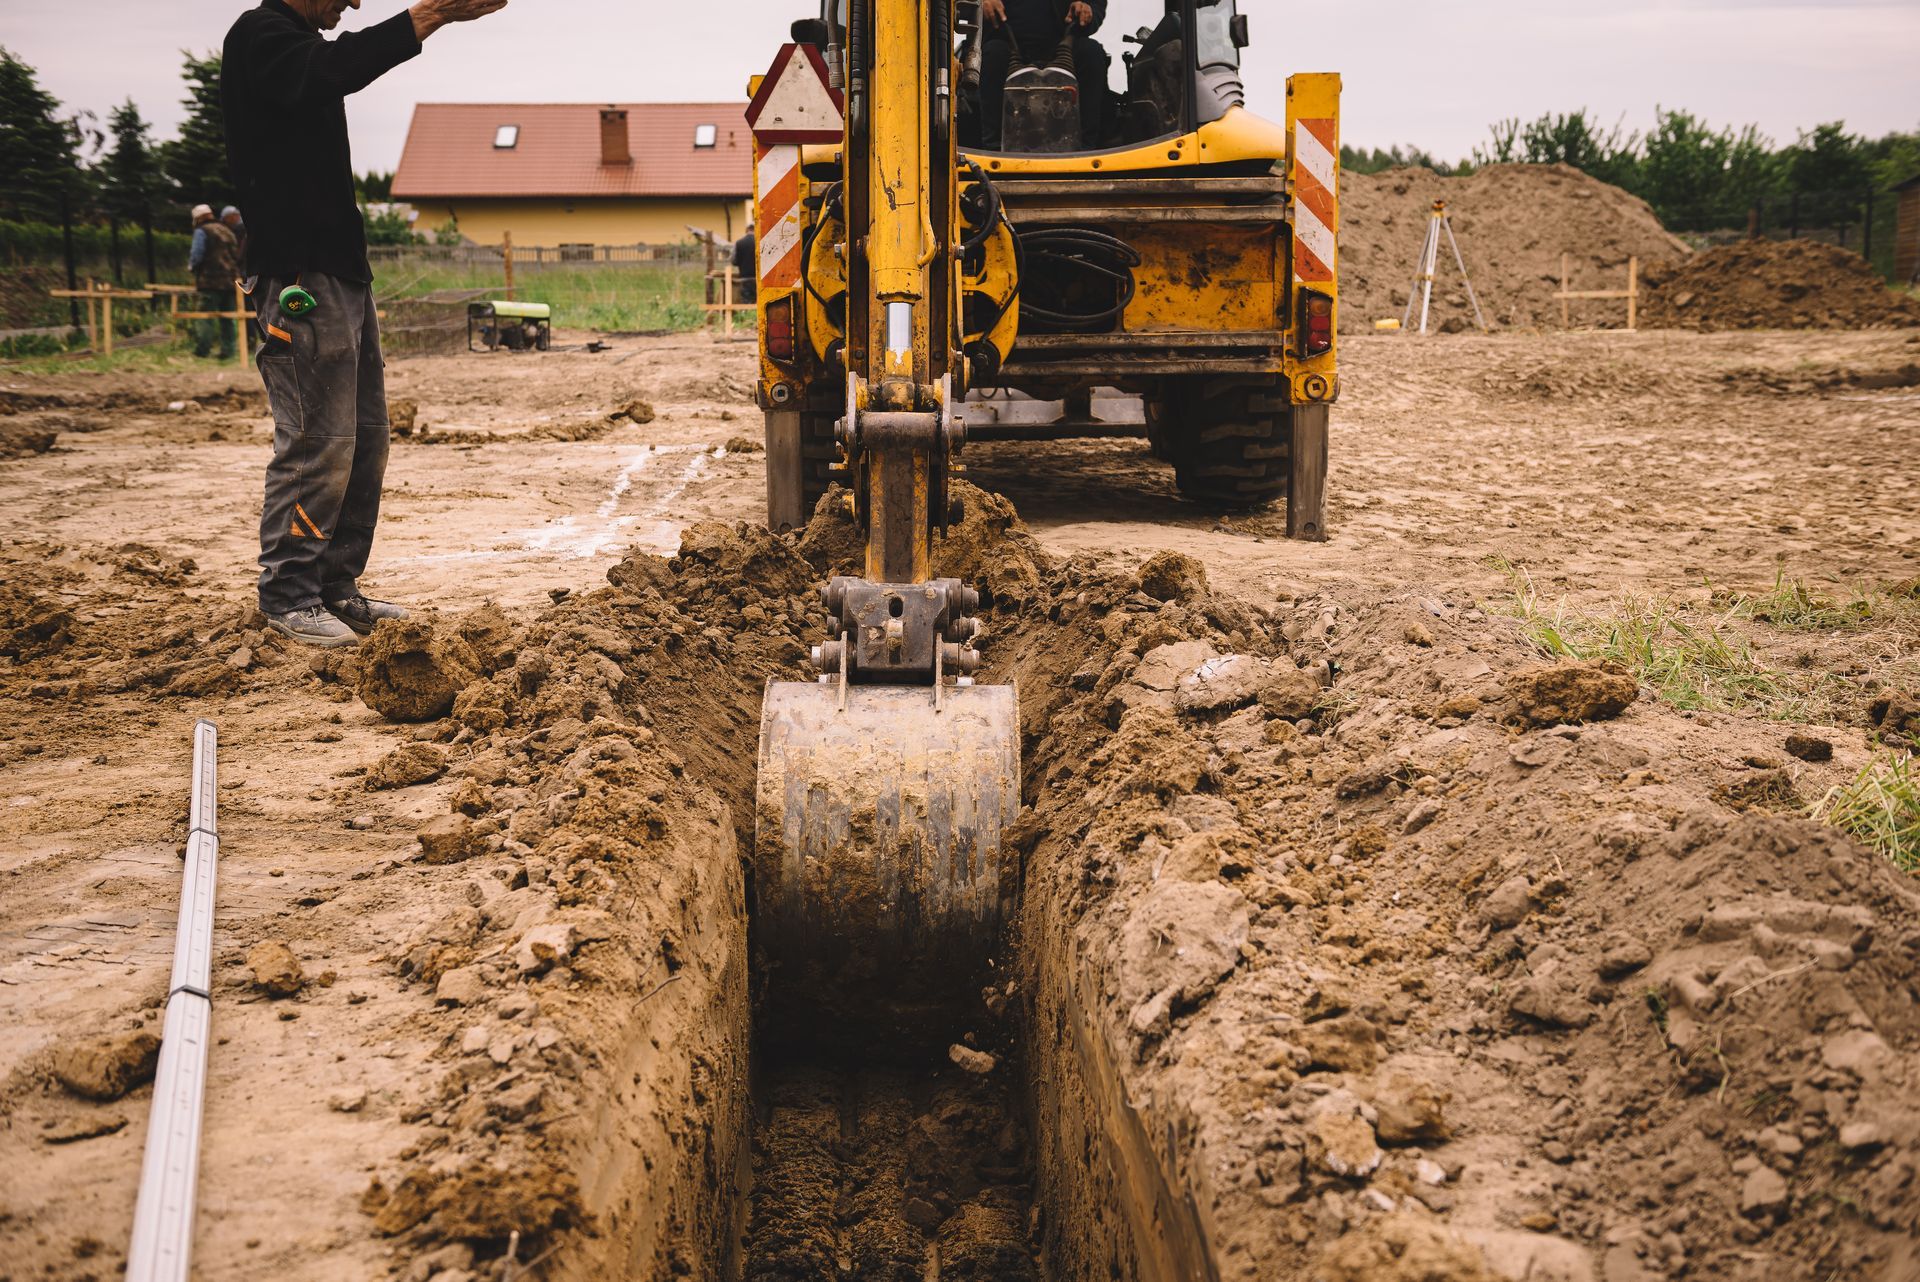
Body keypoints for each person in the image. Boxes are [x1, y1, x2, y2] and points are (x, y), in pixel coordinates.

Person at [222, 0, 508, 648]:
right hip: (298, 275)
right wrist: (427, 16)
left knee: (365, 439)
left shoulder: (293, 42)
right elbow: (333, 69)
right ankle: (289, 596)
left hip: (339, 271)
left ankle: (333, 587)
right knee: (319, 439)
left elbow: (329, 67)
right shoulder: (264, 36)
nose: (353, 3)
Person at [977, 0, 1110, 151]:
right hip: (1005, 42)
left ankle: (1088, 149)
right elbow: (961, 7)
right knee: (992, 54)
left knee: (1091, 52)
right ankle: (992, 150)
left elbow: (1095, 6)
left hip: (1064, 45)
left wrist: (1087, 9)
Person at [188, 203, 240, 360]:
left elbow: (197, 255)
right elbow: (236, 255)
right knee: (228, 318)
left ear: (198, 218)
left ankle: (202, 350)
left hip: (209, 281)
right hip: (231, 281)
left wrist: (192, 268)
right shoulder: (227, 230)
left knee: (205, 316)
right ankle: (228, 351)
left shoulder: (202, 231)